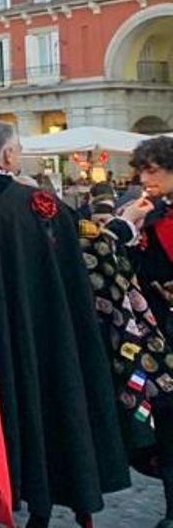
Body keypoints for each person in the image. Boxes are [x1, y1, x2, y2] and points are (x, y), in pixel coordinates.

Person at [0, 121, 127, 526]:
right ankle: (39, 509)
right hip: (39, 335)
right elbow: (73, 273)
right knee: (42, 408)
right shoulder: (40, 206)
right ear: (10, 155)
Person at [108, 135, 173, 527]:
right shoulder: (142, 215)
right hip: (158, 333)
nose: (145, 178)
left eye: (153, 169)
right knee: (167, 422)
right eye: (142, 170)